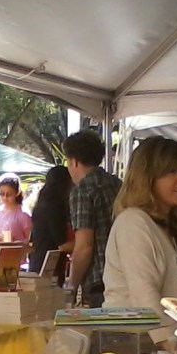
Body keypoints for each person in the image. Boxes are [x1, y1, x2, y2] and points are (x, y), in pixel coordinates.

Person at [102, 136, 177, 346]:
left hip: (165, 343)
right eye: (171, 171)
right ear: (148, 178)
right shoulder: (133, 222)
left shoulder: (171, 228)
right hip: (137, 345)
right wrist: (169, 346)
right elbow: (144, 293)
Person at [63, 129, 122, 308]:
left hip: (99, 281)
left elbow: (84, 247)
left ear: (74, 161)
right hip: (123, 273)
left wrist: (71, 286)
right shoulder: (117, 183)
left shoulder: (82, 190)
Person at [28, 164, 74, 285]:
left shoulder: (41, 206)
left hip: (38, 263)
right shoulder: (53, 209)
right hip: (48, 269)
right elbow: (62, 245)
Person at [0, 173, 31, 243]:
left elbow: (30, 240)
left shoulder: (24, 214)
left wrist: (15, 242)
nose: (5, 197)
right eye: (2, 194)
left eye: (9, 194)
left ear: (17, 193)